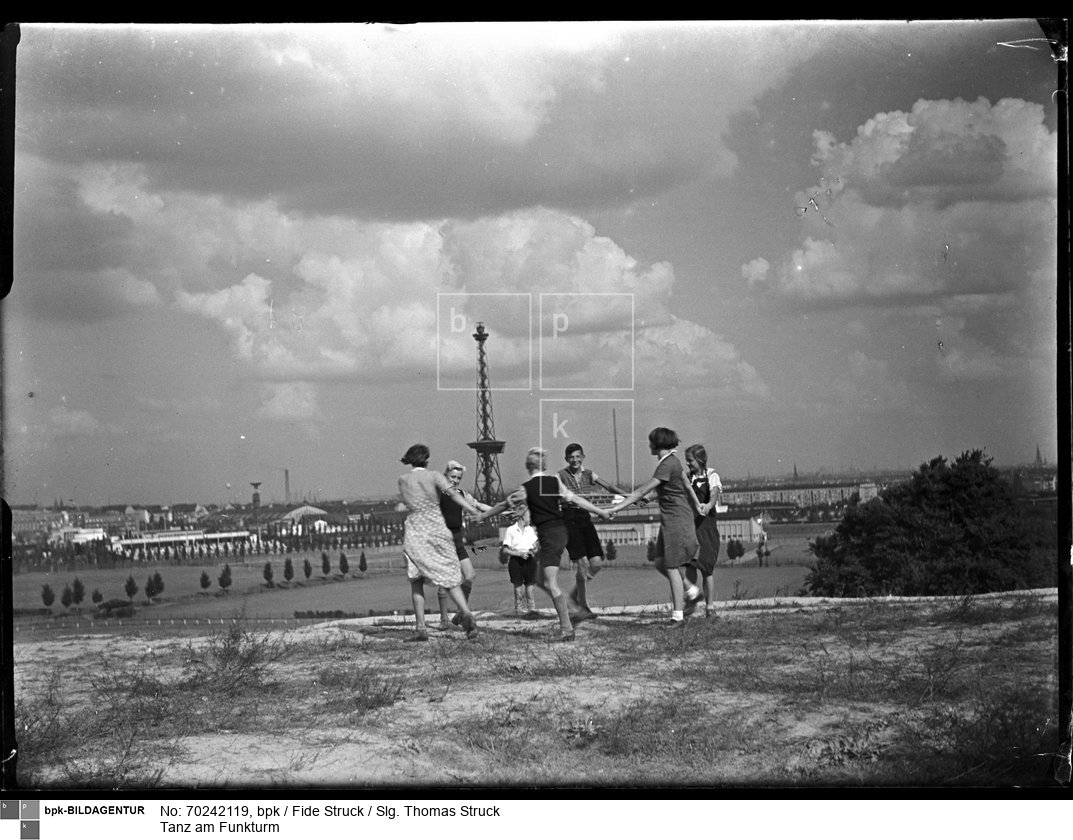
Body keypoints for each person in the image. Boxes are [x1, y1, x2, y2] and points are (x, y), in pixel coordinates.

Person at [474, 447, 612, 641]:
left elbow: (503, 505)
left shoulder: (526, 488)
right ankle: (571, 608)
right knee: (539, 578)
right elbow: (576, 499)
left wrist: (483, 515)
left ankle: (568, 625)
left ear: (527, 466)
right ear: (544, 465)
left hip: (549, 535)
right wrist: (600, 512)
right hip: (562, 532)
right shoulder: (554, 481)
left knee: (549, 582)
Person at [607, 427, 703, 625]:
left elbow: (643, 490)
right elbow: (682, 485)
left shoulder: (667, 464)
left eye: (651, 441)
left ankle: (677, 616)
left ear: (657, 443)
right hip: (671, 519)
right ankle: (692, 592)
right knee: (660, 562)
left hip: (677, 520)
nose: (649, 444)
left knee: (671, 566)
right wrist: (646, 498)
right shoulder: (671, 462)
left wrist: (617, 508)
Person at [397, 444, 483, 641]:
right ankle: (467, 615)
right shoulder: (435, 476)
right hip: (437, 528)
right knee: (450, 576)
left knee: (416, 580)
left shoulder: (402, 480)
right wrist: (472, 510)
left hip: (415, 531)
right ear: (426, 460)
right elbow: (453, 494)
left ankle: (421, 628)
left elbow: (407, 502)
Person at [557, 442, 629, 620]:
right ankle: (583, 606)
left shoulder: (589, 474)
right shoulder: (560, 476)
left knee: (596, 563)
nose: (575, 460)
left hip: (585, 519)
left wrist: (629, 497)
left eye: (578, 456)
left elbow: (609, 487)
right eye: (571, 457)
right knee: (581, 564)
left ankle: (574, 594)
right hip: (569, 520)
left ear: (583, 457)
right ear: (567, 459)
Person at [434, 460, 493, 632]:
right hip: (442, 538)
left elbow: (479, 506)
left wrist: (501, 511)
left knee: (470, 575)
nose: (455, 480)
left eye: (458, 478)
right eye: (452, 476)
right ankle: (444, 619)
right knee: (444, 580)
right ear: (445, 475)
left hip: (457, 538)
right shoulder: (437, 493)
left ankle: (460, 613)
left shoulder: (461, 494)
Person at [683, 443, 722, 618]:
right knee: (690, 565)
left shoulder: (712, 476)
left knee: (707, 569)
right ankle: (690, 604)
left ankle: (710, 607)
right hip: (691, 527)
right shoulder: (687, 477)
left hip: (706, 528)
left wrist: (708, 505)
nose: (688, 464)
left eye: (690, 461)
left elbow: (714, 494)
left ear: (700, 460)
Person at [499, 505, 539, 615]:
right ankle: (519, 609)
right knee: (518, 587)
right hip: (516, 561)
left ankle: (532, 609)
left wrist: (534, 550)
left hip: (529, 560)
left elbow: (535, 546)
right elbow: (505, 550)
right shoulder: (511, 530)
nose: (530, 519)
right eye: (529, 516)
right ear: (522, 517)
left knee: (530, 586)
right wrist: (519, 554)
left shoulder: (530, 530)